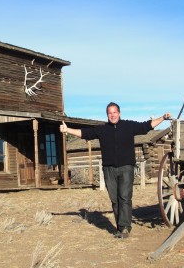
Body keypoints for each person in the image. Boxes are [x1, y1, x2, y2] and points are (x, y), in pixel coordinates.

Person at [60, 102, 171, 239]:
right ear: (107, 115)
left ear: (119, 113)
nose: (112, 115)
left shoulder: (128, 126)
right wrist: (67, 130)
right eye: (109, 113)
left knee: (124, 196)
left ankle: (125, 227)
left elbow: (146, 126)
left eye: (114, 112)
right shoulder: (102, 129)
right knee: (114, 199)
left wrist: (162, 118)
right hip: (109, 169)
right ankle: (120, 227)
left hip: (126, 167)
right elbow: (84, 133)